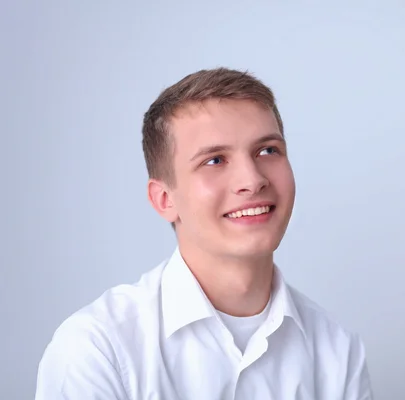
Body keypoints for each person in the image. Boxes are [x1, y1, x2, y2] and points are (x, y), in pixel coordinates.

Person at [35, 67, 373, 399]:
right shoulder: (97, 350)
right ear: (165, 199)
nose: (252, 179)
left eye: (267, 150)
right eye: (214, 160)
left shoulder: (337, 350)